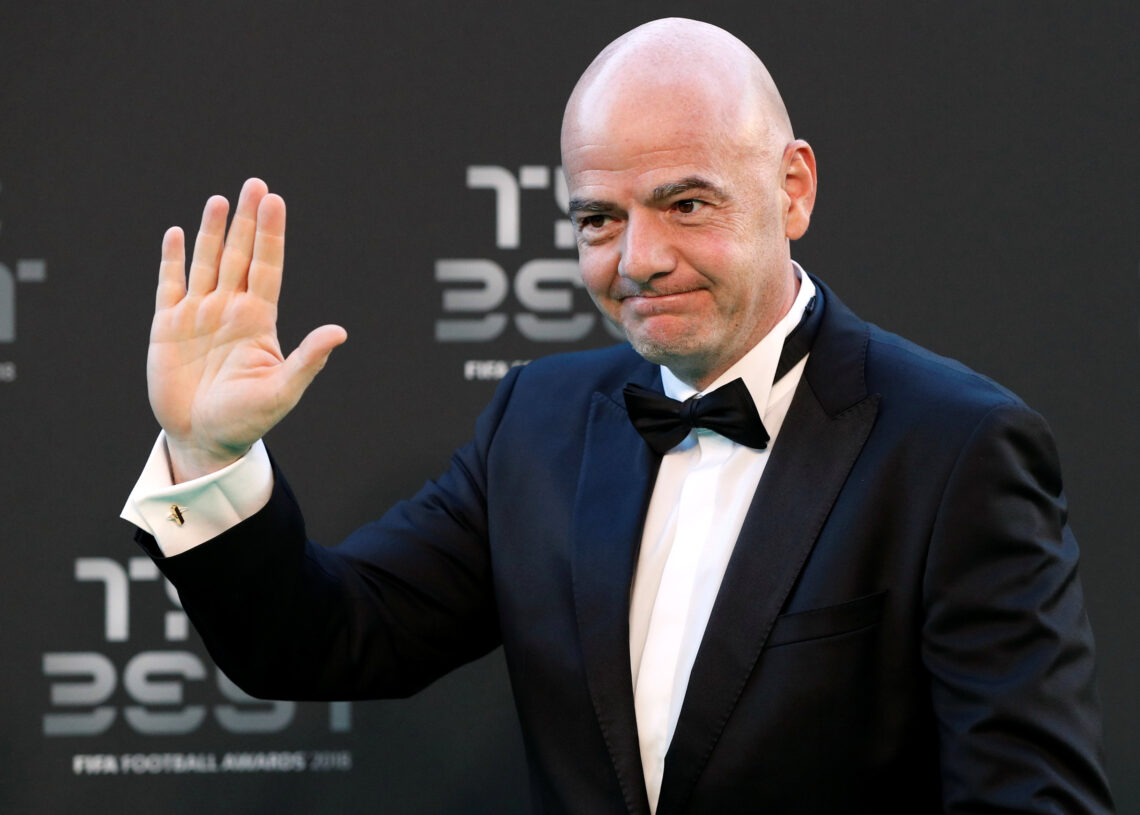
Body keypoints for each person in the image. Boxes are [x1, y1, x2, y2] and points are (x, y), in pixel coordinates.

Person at [122, 18, 1114, 815]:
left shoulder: (955, 447)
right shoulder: (537, 421)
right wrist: (214, 448)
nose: (636, 257)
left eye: (686, 203)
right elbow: (328, 637)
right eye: (599, 217)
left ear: (793, 186)